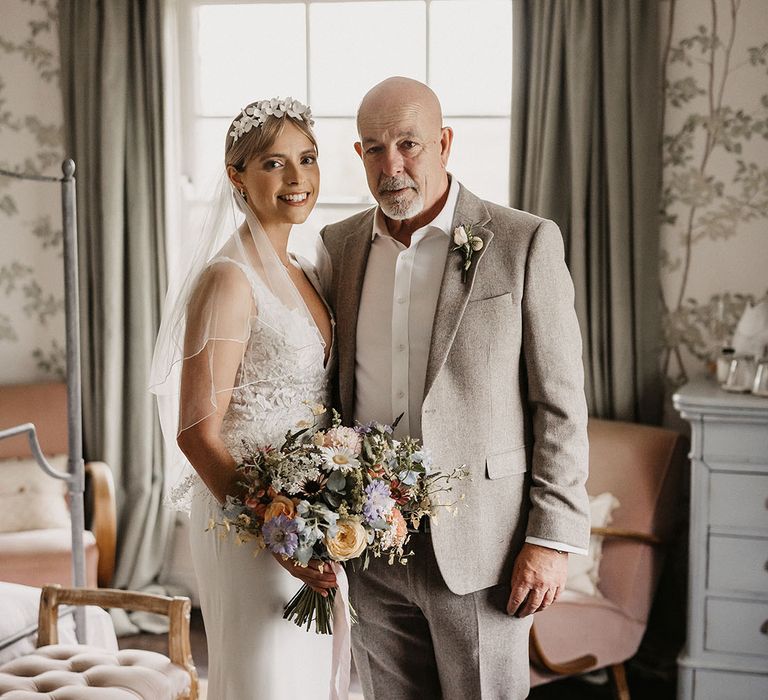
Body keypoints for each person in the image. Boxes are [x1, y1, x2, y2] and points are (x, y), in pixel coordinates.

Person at [320, 77, 591, 699]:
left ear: (444, 142)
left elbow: (560, 403)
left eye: (408, 145)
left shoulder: (524, 242)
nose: (392, 166)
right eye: (373, 148)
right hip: (368, 543)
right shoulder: (340, 247)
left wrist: (550, 539)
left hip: (482, 548)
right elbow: (331, 390)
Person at [151, 98, 339, 700]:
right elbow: (195, 433)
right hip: (252, 524)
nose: (296, 179)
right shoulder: (228, 278)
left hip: (309, 515)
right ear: (237, 176)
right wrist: (282, 533)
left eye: (307, 160)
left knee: (310, 681)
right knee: (268, 683)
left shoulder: (307, 270)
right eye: (274, 164)